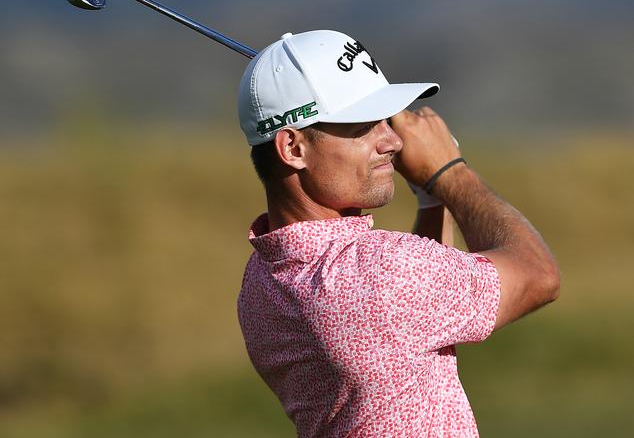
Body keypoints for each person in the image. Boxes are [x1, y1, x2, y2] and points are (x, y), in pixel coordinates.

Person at [236, 30, 560, 437]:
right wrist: (449, 172)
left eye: (385, 120)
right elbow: (538, 275)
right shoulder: (382, 272)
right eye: (363, 127)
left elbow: (420, 317)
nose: (392, 140)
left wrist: (430, 199)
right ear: (293, 148)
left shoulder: (261, 282)